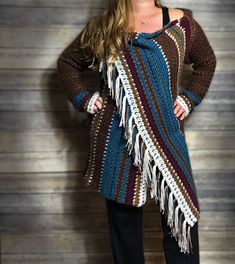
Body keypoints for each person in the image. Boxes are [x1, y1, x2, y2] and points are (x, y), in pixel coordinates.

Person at [56, 0, 217, 263]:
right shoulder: (102, 29)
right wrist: (85, 99)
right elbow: (67, 63)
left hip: (166, 137)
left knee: (182, 221)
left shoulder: (179, 24)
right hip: (118, 141)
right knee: (126, 234)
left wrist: (189, 99)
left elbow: (206, 61)